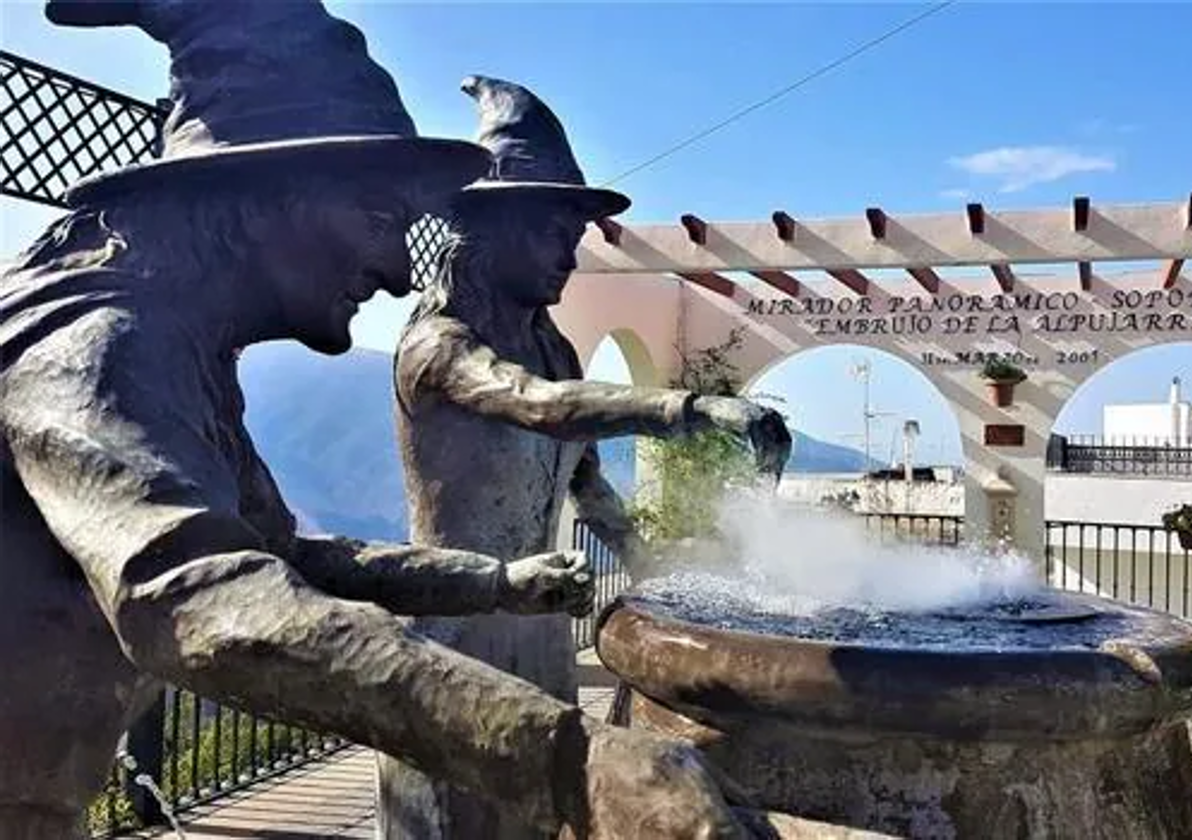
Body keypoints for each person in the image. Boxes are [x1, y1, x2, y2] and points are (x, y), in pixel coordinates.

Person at [0, 4, 749, 839]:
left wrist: (495, 584)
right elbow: (197, 602)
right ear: (257, 200)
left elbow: (287, 556)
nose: (398, 268)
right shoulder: (99, 346)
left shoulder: (182, 358)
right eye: (379, 217)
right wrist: (572, 761)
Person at [385, 75, 792, 840]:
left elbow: (586, 483)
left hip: (539, 628)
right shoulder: (438, 345)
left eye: (572, 239)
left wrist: (652, 563)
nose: (568, 259)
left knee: (536, 815)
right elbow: (534, 404)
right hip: (458, 626)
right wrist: (690, 410)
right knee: (455, 819)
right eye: (550, 235)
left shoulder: (552, 344)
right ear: (493, 231)